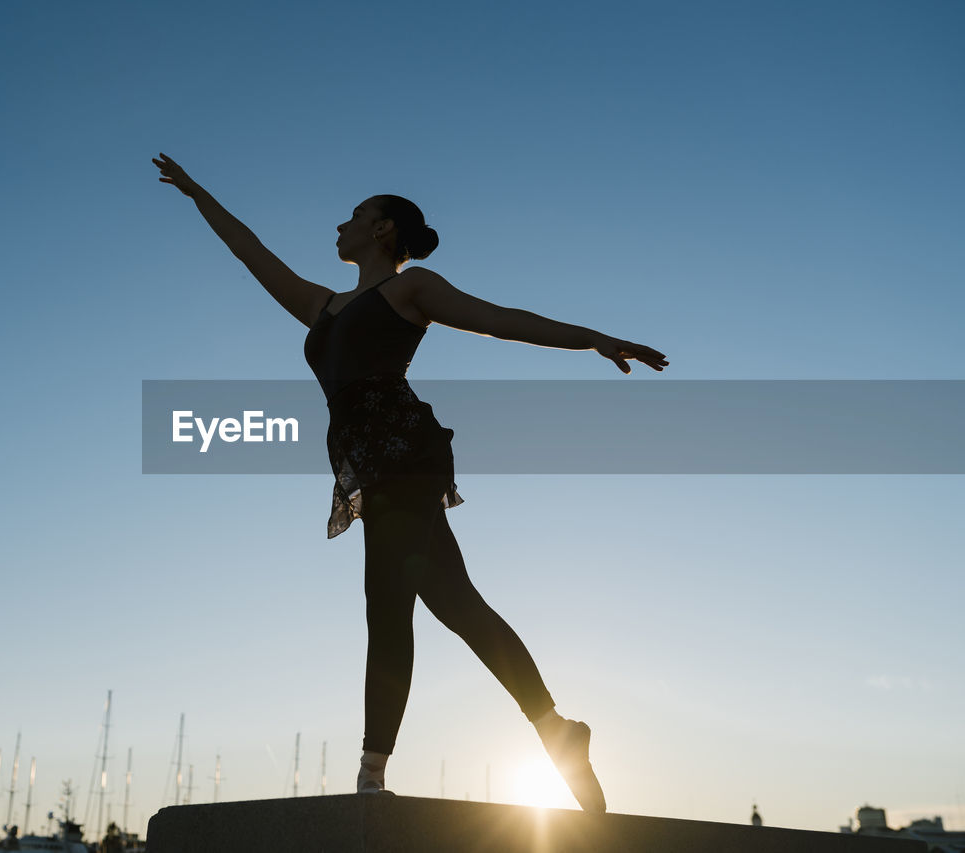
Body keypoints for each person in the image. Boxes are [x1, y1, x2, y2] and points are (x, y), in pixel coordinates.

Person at [152, 153, 668, 812]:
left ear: (385, 231)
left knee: (386, 595)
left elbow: (500, 318)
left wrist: (592, 337)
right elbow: (249, 251)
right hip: (372, 462)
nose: (342, 223)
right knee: (458, 604)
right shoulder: (323, 305)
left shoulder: (409, 289)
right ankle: (558, 730)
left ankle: (372, 769)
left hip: (406, 456)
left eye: (357, 216)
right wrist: (199, 193)